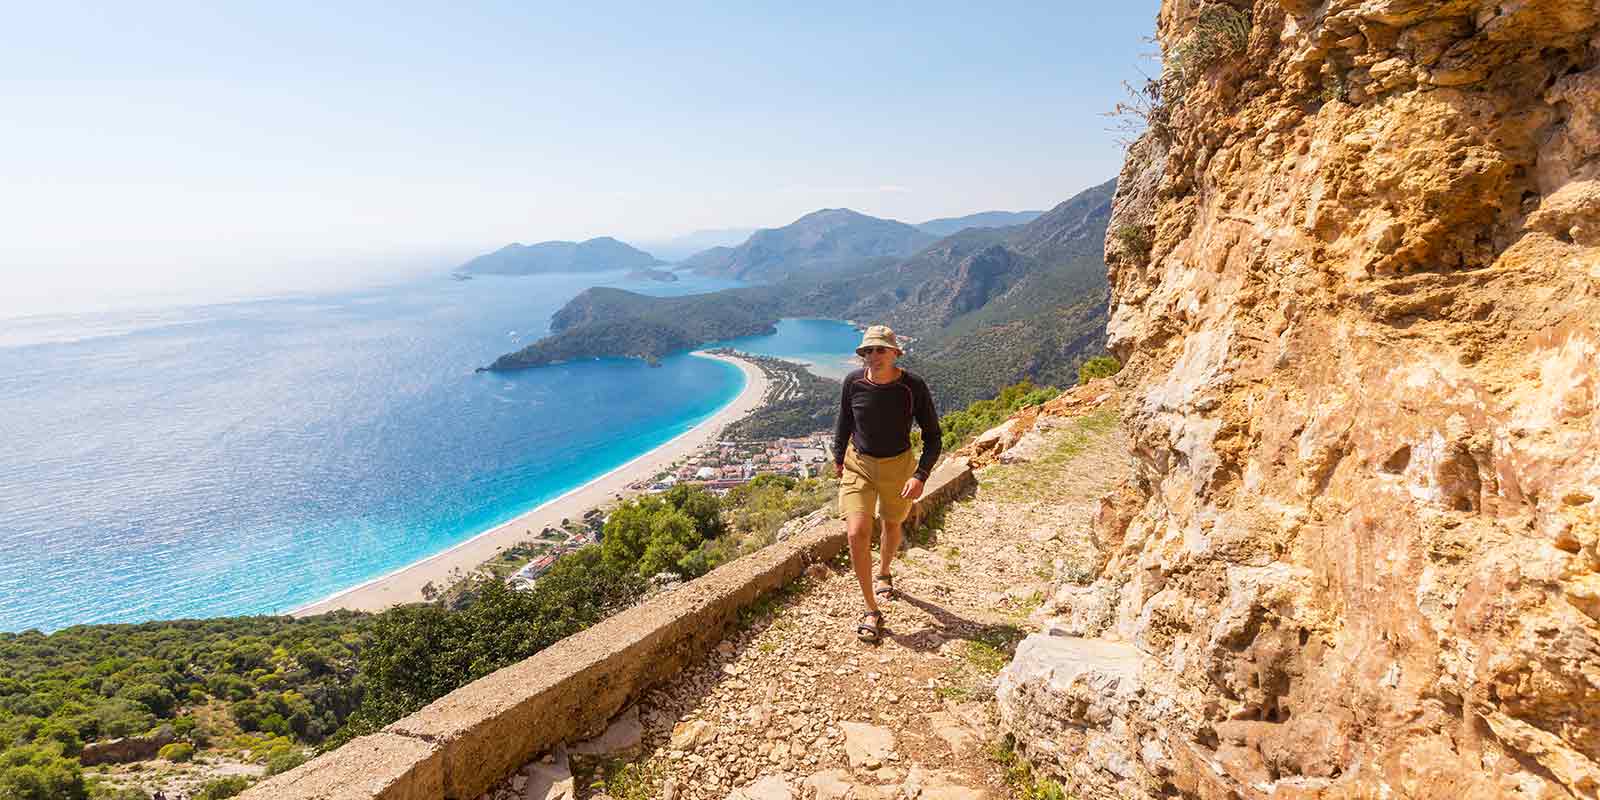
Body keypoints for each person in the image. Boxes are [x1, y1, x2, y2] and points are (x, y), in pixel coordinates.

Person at [832, 324, 941, 642]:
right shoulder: (853, 382)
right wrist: (839, 457)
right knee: (856, 532)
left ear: (895, 353)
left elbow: (933, 436)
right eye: (868, 350)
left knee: (892, 525)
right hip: (859, 465)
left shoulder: (912, 387)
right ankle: (870, 610)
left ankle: (884, 572)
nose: (873, 356)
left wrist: (920, 475)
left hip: (898, 467)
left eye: (881, 349)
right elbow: (844, 421)